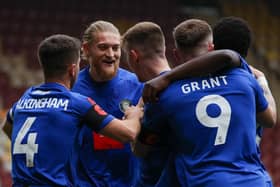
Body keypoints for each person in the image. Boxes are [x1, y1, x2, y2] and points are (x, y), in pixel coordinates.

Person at [123, 21, 277, 186]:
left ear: (175, 54)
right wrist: (262, 81)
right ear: (211, 48)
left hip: (206, 181)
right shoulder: (243, 79)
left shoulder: (166, 95)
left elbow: (141, 150)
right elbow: (270, 119)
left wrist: (134, 117)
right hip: (254, 180)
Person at [0, 34, 143, 187]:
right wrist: (134, 114)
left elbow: (6, 127)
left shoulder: (25, 99)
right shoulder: (75, 103)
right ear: (73, 69)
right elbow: (128, 133)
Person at [68, 20, 144, 187]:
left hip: (129, 183)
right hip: (84, 183)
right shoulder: (71, 88)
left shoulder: (137, 84)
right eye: (103, 47)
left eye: (115, 48)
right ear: (86, 49)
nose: (111, 54)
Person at [213, 16, 277, 187]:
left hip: (207, 176)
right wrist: (263, 81)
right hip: (250, 175)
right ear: (247, 48)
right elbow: (271, 119)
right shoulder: (252, 81)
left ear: (212, 46)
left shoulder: (199, 82)